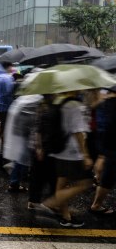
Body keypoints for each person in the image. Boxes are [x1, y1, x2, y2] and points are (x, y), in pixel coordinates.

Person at [42, 91, 93, 227]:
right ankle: (51, 202)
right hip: (73, 152)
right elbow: (78, 131)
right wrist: (86, 155)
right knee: (85, 183)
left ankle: (66, 217)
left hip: (59, 150)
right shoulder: (74, 105)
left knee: (62, 185)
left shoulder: (59, 101)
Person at [90, 86, 116, 214]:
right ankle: (96, 205)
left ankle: (97, 178)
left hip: (100, 140)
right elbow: (111, 127)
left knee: (105, 173)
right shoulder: (112, 105)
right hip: (111, 146)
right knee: (108, 178)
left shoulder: (103, 103)